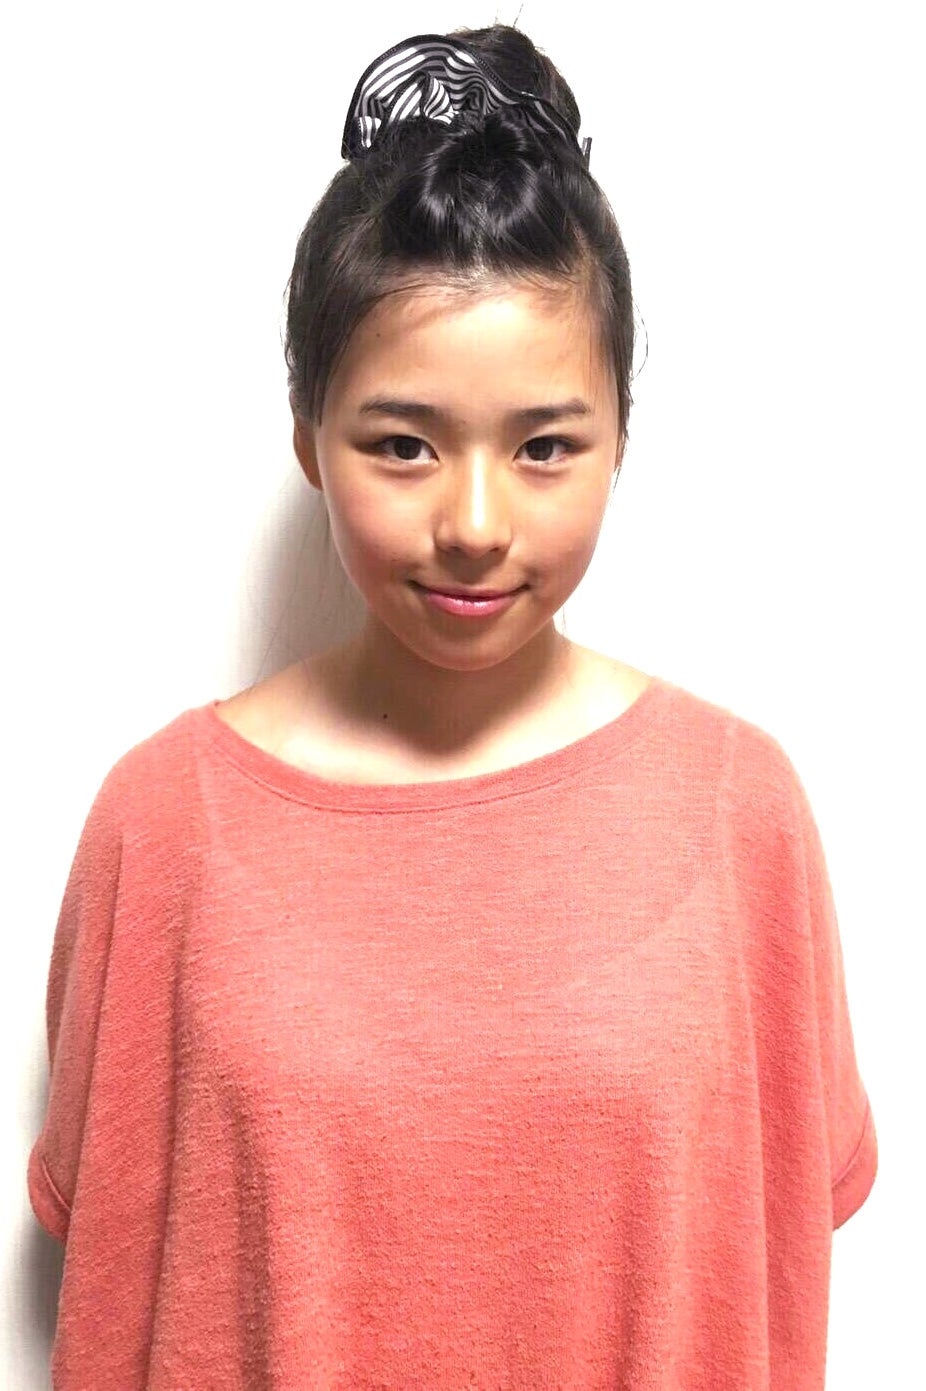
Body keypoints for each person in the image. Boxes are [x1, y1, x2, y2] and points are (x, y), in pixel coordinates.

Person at [27, 24, 877, 1390]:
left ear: (619, 439)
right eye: (403, 444)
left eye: (544, 446)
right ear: (309, 437)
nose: (474, 523)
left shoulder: (740, 812)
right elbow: (122, 1270)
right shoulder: (162, 824)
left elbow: (778, 1254)